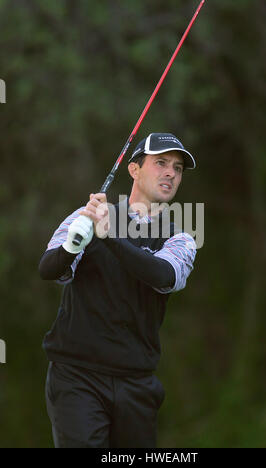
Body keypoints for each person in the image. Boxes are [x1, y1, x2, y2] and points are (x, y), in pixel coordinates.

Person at [39, 132, 197, 448]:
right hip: (77, 378)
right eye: (161, 163)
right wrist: (76, 242)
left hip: (137, 383)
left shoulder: (180, 239)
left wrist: (108, 237)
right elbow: (48, 269)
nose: (170, 173)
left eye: (177, 168)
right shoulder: (87, 217)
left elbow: (163, 275)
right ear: (134, 170)